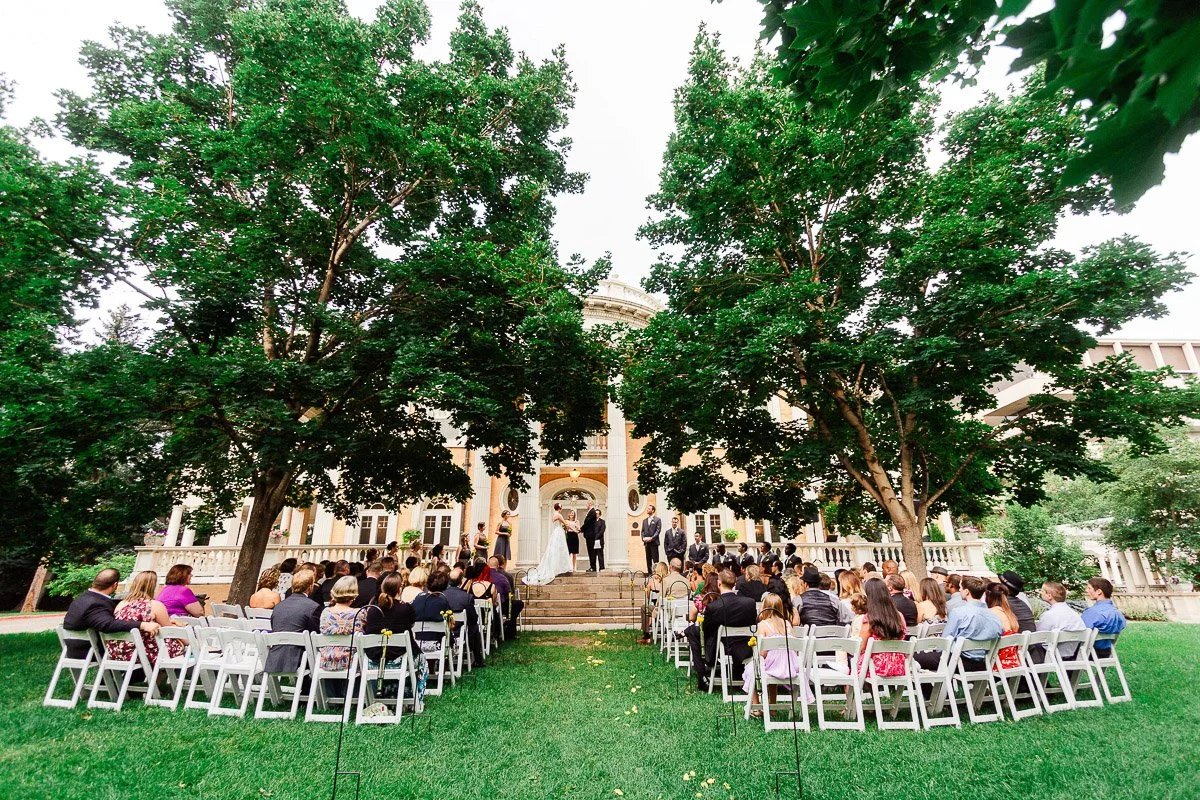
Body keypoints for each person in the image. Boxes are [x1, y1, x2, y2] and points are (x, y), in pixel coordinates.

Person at [686, 570, 758, 692]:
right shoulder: (750, 603)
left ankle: (701, 676)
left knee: (693, 631)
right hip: (745, 648)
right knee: (693, 630)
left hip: (722, 647)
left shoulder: (714, 607)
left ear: (719, 583)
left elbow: (706, 630)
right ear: (734, 584)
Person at [917, 576, 1003, 672]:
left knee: (914, 657)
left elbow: (945, 642)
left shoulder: (958, 612)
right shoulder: (993, 615)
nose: (960, 590)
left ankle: (928, 687)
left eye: (961, 588)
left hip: (958, 662)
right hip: (983, 663)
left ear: (966, 592)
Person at [362, 573, 425, 703]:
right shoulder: (405, 608)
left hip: (374, 659)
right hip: (399, 658)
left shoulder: (372, 610)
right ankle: (417, 700)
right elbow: (412, 624)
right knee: (422, 660)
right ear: (399, 589)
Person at [744, 592, 807, 717]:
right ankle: (772, 707)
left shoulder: (763, 625)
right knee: (770, 669)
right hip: (789, 667)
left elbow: (763, 652)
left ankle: (756, 707)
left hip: (772, 667)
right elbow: (794, 648)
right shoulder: (787, 624)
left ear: (765, 607)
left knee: (750, 669)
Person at [264, 569, 323, 674]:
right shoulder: (313, 607)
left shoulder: (279, 606)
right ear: (310, 587)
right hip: (301, 658)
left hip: (275, 656)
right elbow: (316, 635)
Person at [859, 577, 908, 676]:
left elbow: (860, 647)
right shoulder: (899, 616)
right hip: (898, 665)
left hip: (875, 667)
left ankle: (853, 690)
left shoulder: (869, 618)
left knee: (852, 672)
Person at [318, 576, 365, 674]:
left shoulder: (325, 613)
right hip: (351, 662)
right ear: (354, 595)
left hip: (327, 661)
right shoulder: (359, 613)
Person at [1034, 581, 1087, 662]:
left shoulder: (1049, 615)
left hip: (1053, 655)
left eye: (1042, 591)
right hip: (1073, 655)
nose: (1041, 593)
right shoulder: (1074, 614)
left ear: (1049, 596)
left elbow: (1039, 636)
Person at [444, 566, 484, 668]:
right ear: (461, 581)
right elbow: (473, 618)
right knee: (475, 627)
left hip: (445, 630)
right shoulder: (467, 597)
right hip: (461, 631)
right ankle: (478, 659)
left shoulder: (442, 595)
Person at [525, 502, 573, 585]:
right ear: (559, 508)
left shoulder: (553, 514)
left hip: (555, 532)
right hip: (559, 532)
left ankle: (557, 567)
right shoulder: (558, 515)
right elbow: (565, 524)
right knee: (560, 549)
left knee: (555, 549)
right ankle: (560, 568)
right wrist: (570, 527)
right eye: (561, 508)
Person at [1081, 577, 1127, 654]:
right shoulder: (1118, 614)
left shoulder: (1092, 612)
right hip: (1107, 652)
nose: (1086, 591)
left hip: (1089, 652)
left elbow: (1080, 632)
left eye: (1089, 588)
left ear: (1099, 591)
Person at [986, 582, 1021, 670]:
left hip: (997, 662)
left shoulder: (990, 613)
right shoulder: (1010, 614)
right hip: (1014, 661)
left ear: (988, 596)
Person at [583, 503, 606, 573]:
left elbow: (602, 531)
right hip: (592, 541)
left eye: (598, 514)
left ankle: (601, 568)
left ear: (600, 514)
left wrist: (596, 537)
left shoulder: (602, 522)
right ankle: (593, 568)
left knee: (600, 555)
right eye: (595, 513)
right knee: (592, 555)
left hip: (599, 540)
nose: (596, 515)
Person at [641, 504, 662, 568]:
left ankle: (656, 574)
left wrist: (652, 538)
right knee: (648, 559)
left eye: (649, 509)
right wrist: (643, 538)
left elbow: (658, 531)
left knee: (655, 560)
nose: (647, 510)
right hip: (647, 543)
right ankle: (649, 574)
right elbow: (642, 531)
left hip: (654, 543)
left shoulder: (657, 520)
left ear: (653, 511)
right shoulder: (644, 521)